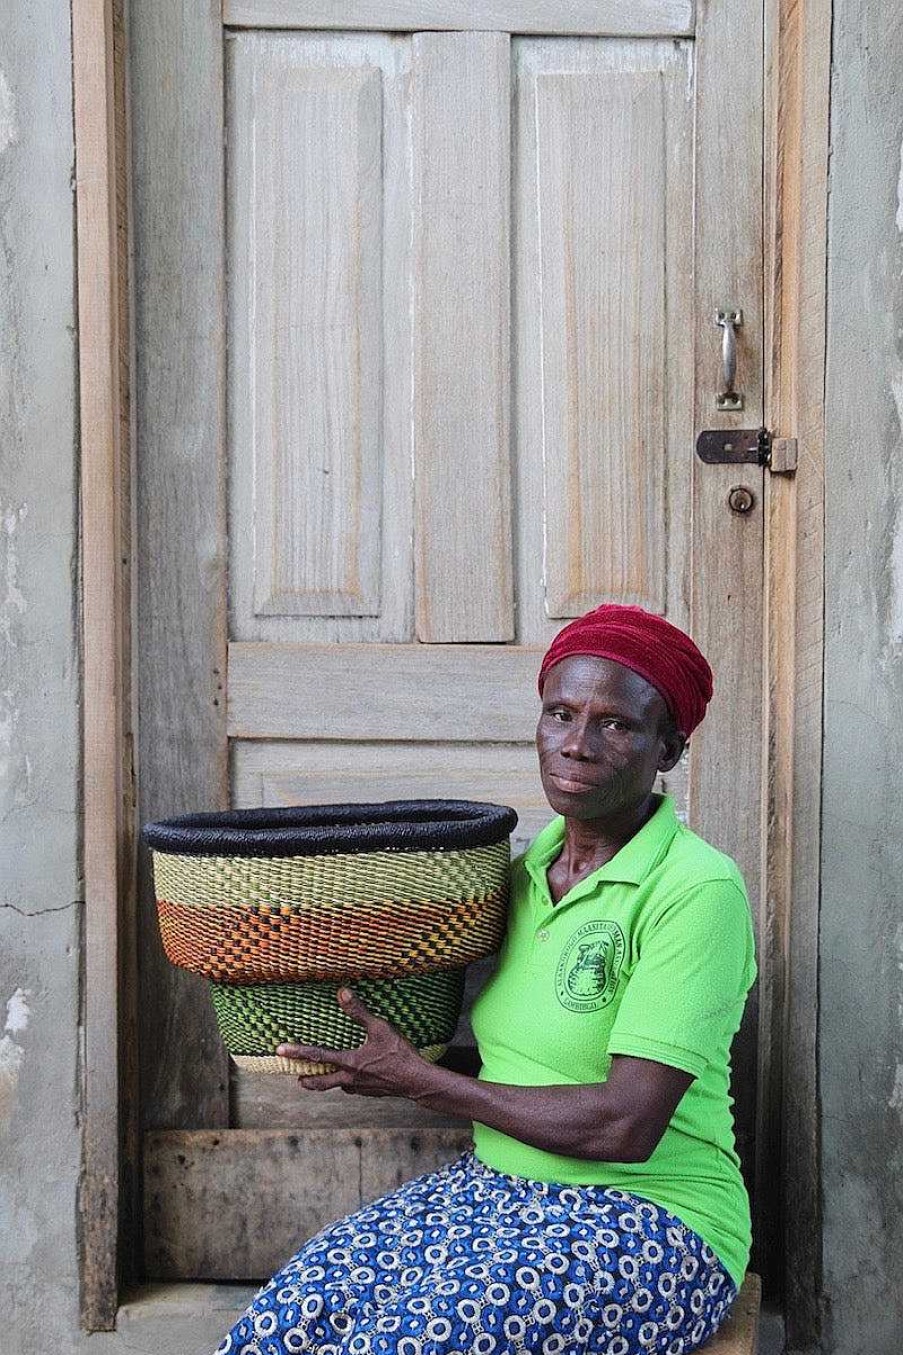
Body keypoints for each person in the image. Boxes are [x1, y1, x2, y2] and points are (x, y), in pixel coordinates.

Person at [217, 604, 756, 1355]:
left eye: (616, 725)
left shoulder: (696, 890)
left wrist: (421, 1082)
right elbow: (520, 1060)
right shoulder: (520, 872)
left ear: (668, 747)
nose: (575, 742)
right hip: (496, 1191)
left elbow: (624, 1124)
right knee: (284, 1321)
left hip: (652, 1220)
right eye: (559, 713)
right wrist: (375, 1051)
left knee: (404, 1345)